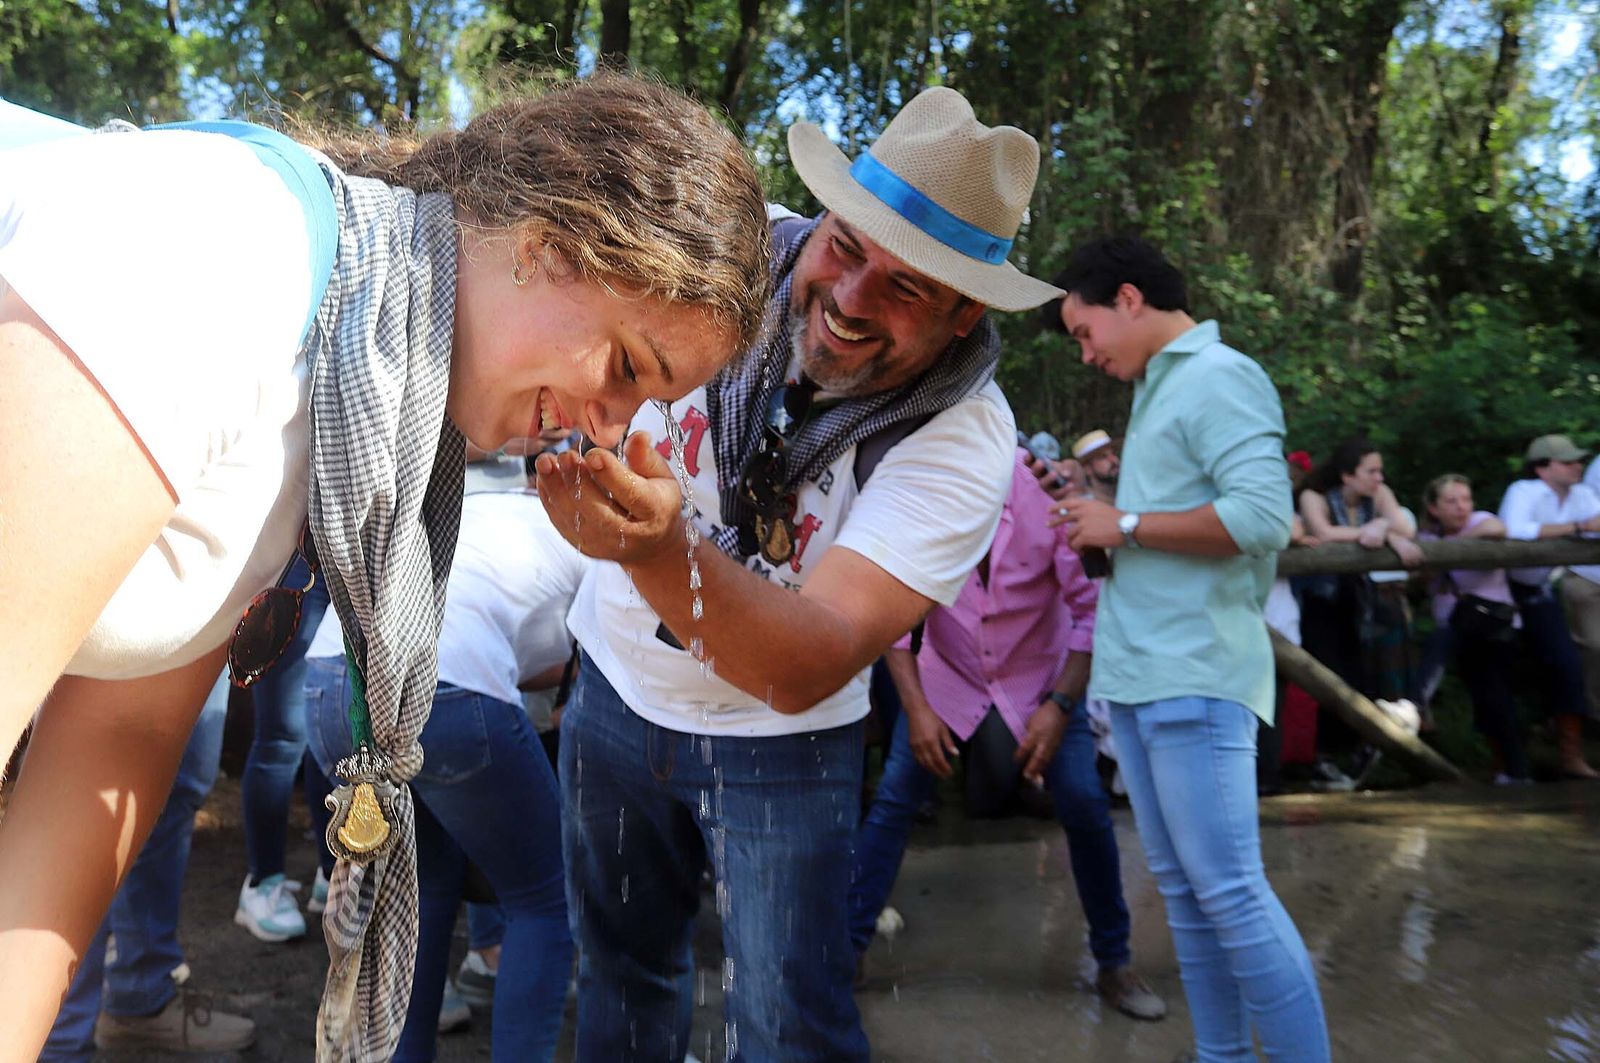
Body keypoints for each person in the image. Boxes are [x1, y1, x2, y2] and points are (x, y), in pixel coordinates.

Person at [0, 75, 772, 1057]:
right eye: (625, 368)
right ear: (541, 245)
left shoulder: (343, 414)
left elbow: (121, 728)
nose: (609, 430)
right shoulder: (226, 259)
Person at [535, 87, 1064, 1059]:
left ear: (960, 320)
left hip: (785, 747)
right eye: (847, 247)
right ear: (817, 219)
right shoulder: (725, 255)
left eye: (907, 288)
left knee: (787, 1025)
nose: (852, 301)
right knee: (615, 980)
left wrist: (654, 547)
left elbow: (805, 662)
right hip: (613, 695)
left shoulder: (963, 434)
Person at [1052, 235, 1330, 1062]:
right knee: (1186, 893)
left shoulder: (1220, 375)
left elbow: (1261, 519)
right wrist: (1106, 526)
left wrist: (1124, 523)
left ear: (1128, 299)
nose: (1086, 351)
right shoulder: (1161, 392)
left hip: (1197, 672)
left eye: (1084, 329)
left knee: (1231, 892)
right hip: (1142, 676)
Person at [849, 444, 1167, 1022]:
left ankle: (1115, 963)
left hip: (1040, 679)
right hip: (947, 679)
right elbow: (892, 620)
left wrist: (1061, 704)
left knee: (1083, 802)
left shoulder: (1045, 497)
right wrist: (916, 710)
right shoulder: (918, 498)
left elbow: (1092, 610)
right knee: (897, 798)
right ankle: (847, 955)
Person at [303, 453, 588, 1062]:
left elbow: (527, 658)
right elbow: (582, 675)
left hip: (330, 682)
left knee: (424, 889)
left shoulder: (496, 513)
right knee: (545, 898)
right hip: (442, 689)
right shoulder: (597, 551)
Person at [41, 671, 256, 1058]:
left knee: (180, 783)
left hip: (209, 621)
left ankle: (141, 992)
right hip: (104, 622)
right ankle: (56, 1041)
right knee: (86, 794)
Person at [1497, 434, 1600, 778]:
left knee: (1567, 664)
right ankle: (1507, 758)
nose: (1577, 466)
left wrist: (1582, 527)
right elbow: (1514, 530)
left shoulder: (1583, 494)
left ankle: (1570, 753)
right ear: (1542, 467)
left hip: (1540, 588)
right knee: (1501, 670)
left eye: (1577, 461)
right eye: (1568, 461)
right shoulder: (1522, 491)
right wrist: (1578, 527)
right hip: (1501, 589)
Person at [1419, 475, 1529, 783]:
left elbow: (1497, 528)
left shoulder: (1481, 521)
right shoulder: (1426, 538)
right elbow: (1423, 576)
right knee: (1482, 699)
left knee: (1497, 697)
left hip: (1494, 624)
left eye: (1465, 499)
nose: (1461, 507)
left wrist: (1450, 548)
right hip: (1456, 626)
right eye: (1451, 501)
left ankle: (1515, 769)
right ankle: (1505, 767)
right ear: (1433, 508)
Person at [1072, 428, 1120, 503]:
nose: (1114, 460)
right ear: (1087, 469)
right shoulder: (1084, 505)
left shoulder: (1131, 494)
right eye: (1103, 457)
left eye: (1113, 453)